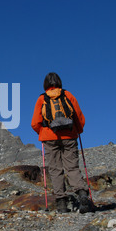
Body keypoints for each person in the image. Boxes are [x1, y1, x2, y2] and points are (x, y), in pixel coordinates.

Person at [31, 72, 92, 213]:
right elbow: (79, 116)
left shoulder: (42, 98)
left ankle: (61, 204)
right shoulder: (68, 95)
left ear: (45, 84)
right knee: (72, 167)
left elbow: (35, 123)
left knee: (55, 169)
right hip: (69, 135)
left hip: (49, 137)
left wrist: (42, 133)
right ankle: (82, 193)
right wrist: (78, 131)